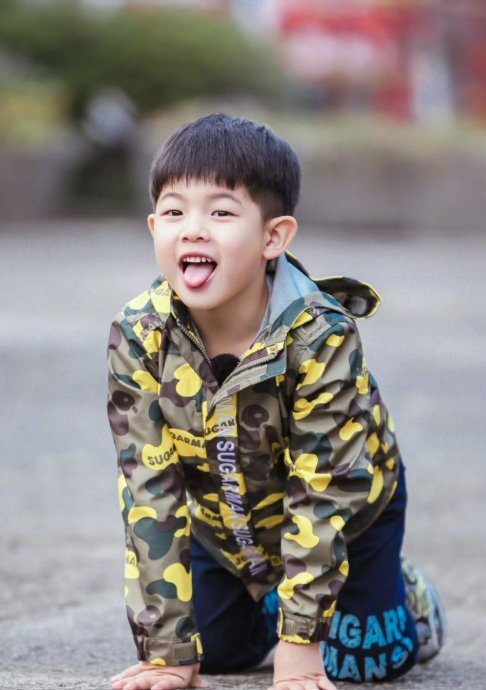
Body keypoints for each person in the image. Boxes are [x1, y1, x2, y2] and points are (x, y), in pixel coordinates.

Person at [107, 113, 445, 690]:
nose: (192, 230)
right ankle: (268, 599)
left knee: (364, 663)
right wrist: (166, 651)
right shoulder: (140, 335)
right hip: (225, 525)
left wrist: (301, 646)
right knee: (212, 653)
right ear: (153, 227)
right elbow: (148, 490)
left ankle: (407, 596)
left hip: (347, 514)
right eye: (174, 212)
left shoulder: (320, 336)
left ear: (274, 237)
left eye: (221, 213)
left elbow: (323, 490)